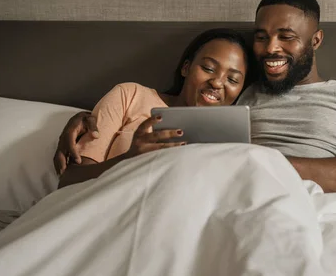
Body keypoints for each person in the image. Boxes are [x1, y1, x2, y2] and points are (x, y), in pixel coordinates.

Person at [55, 0, 336, 196]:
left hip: (311, 202)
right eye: (261, 36)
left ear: (316, 40)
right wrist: (83, 118)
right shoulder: (241, 96)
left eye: (286, 36)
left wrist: (254, 163)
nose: (270, 48)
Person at [57, 28, 251, 189]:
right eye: (208, 68)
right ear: (186, 68)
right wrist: (128, 160)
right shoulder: (130, 95)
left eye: (232, 79)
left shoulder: (235, 137)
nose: (217, 82)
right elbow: (69, 181)